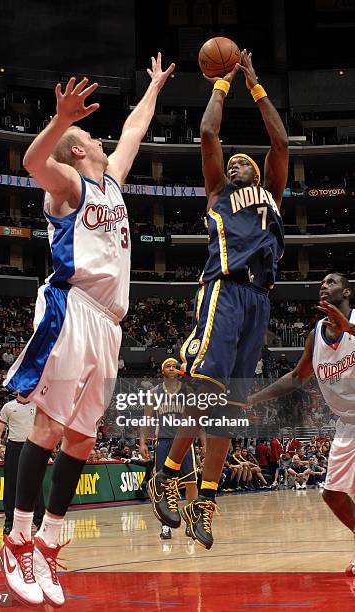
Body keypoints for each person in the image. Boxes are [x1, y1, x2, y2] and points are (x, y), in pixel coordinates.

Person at [0, 53, 175, 607]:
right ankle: (17, 539)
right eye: (91, 136)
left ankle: (49, 542)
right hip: (71, 307)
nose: (103, 141)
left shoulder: (112, 184)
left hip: (109, 323)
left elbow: (133, 131)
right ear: (78, 150)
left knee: (83, 438)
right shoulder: (68, 184)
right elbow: (32, 163)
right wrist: (59, 120)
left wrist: (153, 88)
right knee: (49, 427)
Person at [148, 48, 288, 550]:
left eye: (242, 160)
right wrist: (223, 84)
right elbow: (209, 134)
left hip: (261, 300)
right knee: (204, 390)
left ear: (260, 171)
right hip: (224, 291)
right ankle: (165, 475)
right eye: (231, 162)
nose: (235, 162)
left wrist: (257, 85)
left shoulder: (273, 189)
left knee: (229, 410)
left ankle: (206, 499)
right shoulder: (216, 193)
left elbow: (279, 140)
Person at [248, 273, 355, 575]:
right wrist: (254, 398)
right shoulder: (315, 335)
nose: (324, 285)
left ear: (347, 292)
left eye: (332, 281)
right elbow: (297, 377)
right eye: (322, 282)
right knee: (332, 494)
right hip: (347, 425)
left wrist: (349, 328)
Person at [139, 358, 201, 540]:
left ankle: (192, 522)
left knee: (191, 483)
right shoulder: (154, 392)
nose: (172, 368)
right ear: (162, 370)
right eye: (168, 366)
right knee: (163, 484)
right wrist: (142, 442)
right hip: (164, 442)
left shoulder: (187, 391)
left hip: (184, 441)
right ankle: (166, 524)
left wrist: (204, 443)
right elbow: (146, 419)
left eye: (175, 366)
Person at [0, 396, 45, 536]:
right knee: (11, 486)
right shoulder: (8, 406)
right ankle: (10, 523)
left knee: (36, 486)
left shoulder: (38, 405)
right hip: (13, 447)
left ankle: (40, 522)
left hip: (33, 446)